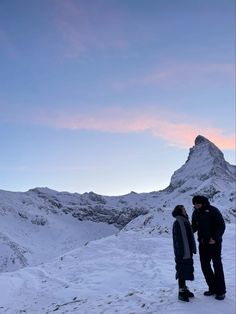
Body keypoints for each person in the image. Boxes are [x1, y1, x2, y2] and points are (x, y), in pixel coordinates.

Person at [191, 195, 226, 300]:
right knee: (205, 266)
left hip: (214, 243)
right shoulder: (195, 212)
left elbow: (221, 225)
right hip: (203, 244)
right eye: (195, 204)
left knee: (217, 266)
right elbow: (194, 227)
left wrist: (215, 238)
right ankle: (212, 288)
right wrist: (185, 229)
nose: (196, 205)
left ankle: (220, 291)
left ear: (203, 203)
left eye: (198, 203)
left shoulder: (213, 210)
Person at [172, 205, 196, 302]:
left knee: (185, 269)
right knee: (181, 270)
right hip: (182, 252)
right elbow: (177, 239)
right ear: (179, 211)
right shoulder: (178, 222)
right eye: (183, 210)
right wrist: (181, 251)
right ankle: (181, 291)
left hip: (187, 250)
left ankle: (184, 289)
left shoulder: (184, 221)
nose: (185, 211)